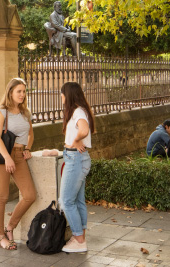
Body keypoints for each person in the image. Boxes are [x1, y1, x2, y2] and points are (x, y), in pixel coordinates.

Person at [0, 78, 36, 251]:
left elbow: (31, 134)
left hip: (19, 155)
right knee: (2, 196)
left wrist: (28, 148)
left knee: (30, 195)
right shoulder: (2, 112)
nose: (22, 95)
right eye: (19, 91)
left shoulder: (25, 113)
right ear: (10, 92)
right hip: (3, 156)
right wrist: (7, 158)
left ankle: (10, 227)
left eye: (24, 91)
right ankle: (0, 236)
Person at [59, 81, 95, 254]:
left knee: (66, 201)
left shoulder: (77, 111)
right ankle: (81, 236)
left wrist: (76, 141)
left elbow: (84, 130)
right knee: (78, 201)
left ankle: (79, 239)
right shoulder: (80, 110)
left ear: (68, 95)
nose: (61, 97)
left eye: (62, 93)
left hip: (75, 159)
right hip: (78, 158)